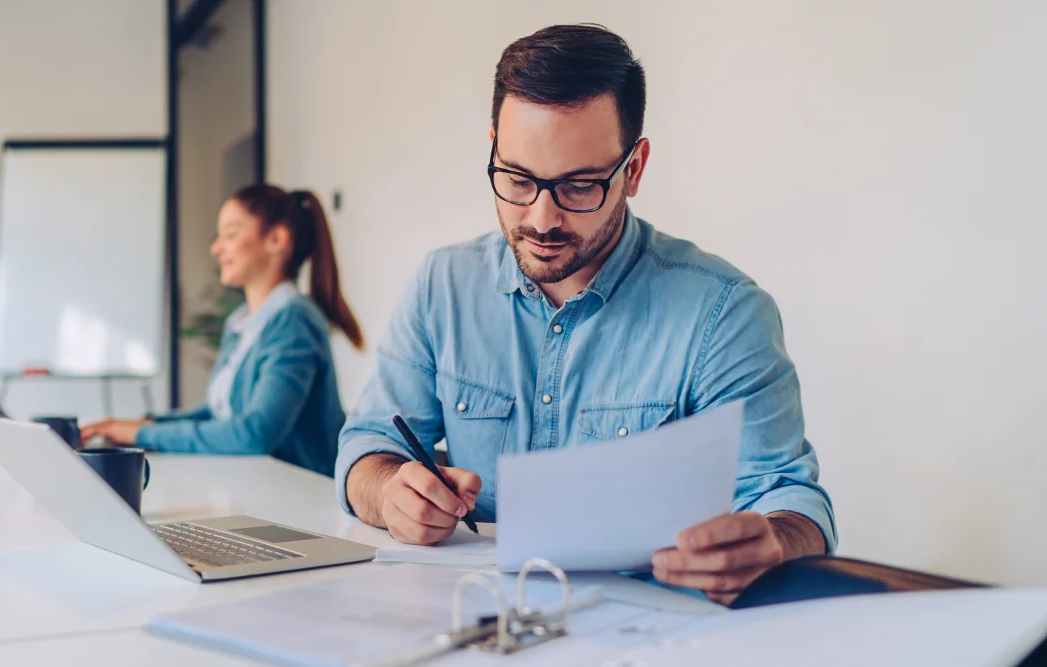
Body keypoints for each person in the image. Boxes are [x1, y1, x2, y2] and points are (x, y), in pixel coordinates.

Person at [336, 24, 835, 604]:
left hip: (648, 634)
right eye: (517, 179)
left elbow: (793, 501)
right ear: (493, 145)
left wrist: (772, 543)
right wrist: (391, 489)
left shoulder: (724, 313)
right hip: (475, 620)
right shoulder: (441, 286)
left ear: (635, 168)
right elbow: (367, 445)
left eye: (579, 186)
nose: (542, 218)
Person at [82, 185, 363, 477]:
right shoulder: (243, 322)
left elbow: (255, 433)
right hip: (258, 485)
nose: (216, 248)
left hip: (301, 496)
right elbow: (221, 412)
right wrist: (146, 425)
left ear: (276, 239)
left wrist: (141, 434)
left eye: (231, 234)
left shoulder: (292, 320)